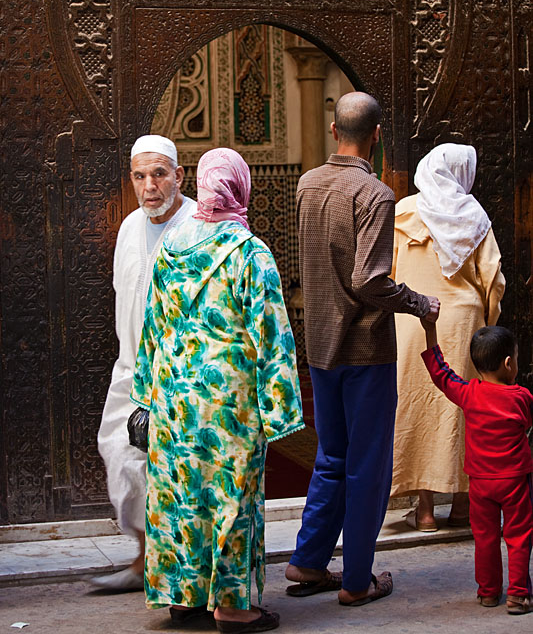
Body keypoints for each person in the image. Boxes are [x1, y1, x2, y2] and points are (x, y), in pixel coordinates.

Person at [130, 147, 304, 633]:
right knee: (230, 499)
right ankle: (231, 607)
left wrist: (145, 396)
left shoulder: (171, 246)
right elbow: (272, 338)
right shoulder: (250, 254)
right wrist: (280, 410)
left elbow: (152, 328)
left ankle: (183, 597)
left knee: (181, 495)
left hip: (174, 401)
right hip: (230, 405)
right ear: (240, 188)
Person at [285, 92, 440, 606]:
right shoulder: (375, 195)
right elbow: (369, 281)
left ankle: (309, 561)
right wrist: (420, 303)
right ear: (377, 135)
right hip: (365, 348)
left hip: (320, 346)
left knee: (331, 455)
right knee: (367, 466)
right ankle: (356, 581)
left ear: (334, 130)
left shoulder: (307, 184)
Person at [93, 135, 196, 591]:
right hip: (132, 369)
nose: (149, 186)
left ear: (179, 176)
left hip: (181, 375)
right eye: (139, 176)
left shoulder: (199, 226)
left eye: (159, 174)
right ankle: (143, 558)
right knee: (121, 455)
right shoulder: (130, 226)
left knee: (174, 471)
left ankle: (174, 569)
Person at [390, 144, 506, 531]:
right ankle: (461, 506)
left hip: (414, 320)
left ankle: (424, 511)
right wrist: (487, 320)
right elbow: (493, 279)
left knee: (418, 407)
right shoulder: (473, 215)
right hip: (463, 326)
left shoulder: (405, 211)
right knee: (462, 411)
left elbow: (388, 271)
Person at [419, 321, 533, 614]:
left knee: (485, 538)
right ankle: (518, 596)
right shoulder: (522, 398)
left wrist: (430, 330)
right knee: (519, 537)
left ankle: (488, 593)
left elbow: (441, 374)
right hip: (515, 481)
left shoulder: (468, 393)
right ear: (508, 363)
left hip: (480, 484)